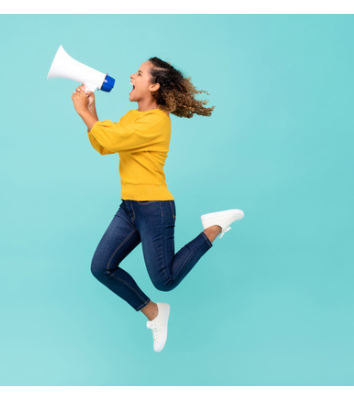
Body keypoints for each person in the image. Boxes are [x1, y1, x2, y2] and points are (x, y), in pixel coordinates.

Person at [71, 57, 245, 353]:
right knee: (102, 267)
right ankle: (154, 312)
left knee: (164, 281)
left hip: (154, 208)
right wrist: (89, 112)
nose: (131, 76)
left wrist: (82, 112)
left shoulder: (157, 121)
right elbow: (104, 144)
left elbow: (110, 140)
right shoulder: (130, 118)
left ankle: (213, 228)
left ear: (153, 85)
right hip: (130, 208)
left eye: (138, 73)